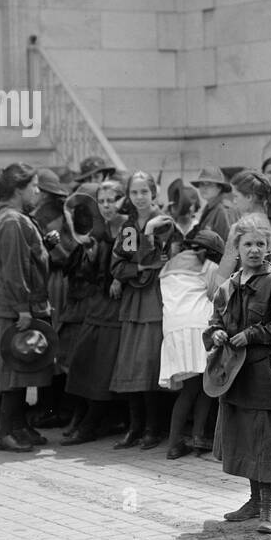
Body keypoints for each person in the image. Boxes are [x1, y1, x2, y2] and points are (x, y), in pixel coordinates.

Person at [208, 214, 271, 534]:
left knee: (267, 436)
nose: (255, 250)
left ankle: (267, 507)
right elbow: (215, 322)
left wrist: (252, 334)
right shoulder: (230, 286)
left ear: (269, 249)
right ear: (236, 249)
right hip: (236, 372)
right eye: (248, 244)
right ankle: (252, 500)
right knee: (247, 434)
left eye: (261, 244)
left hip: (266, 369)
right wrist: (218, 334)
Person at [0, 163, 52, 452]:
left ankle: (19, 426)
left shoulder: (13, 217)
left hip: (22, 304)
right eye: (34, 187)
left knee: (24, 365)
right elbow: (15, 270)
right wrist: (23, 308)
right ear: (18, 188)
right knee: (15, 368)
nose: (38, 192)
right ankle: (4, 433)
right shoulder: (12, 221)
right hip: (16, 307)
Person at [61, 182, 125, 445]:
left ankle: (92, 423)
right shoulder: (98, 231)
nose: (107, 205)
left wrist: (118, 277)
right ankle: (83, 416)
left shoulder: (126, 227)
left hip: (117, 305)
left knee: (102, 364)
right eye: (103, 200)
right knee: (84, 358)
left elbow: (132, 260)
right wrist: (88, 252)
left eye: (112, 200)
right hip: (98, 303)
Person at [110, 171, 169, 449]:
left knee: (149, 363)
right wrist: (135, 270)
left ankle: (153, 428)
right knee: (131, 364)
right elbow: (118, 265)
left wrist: (138, 266)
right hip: (134, 302)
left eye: (144, 192)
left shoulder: (164, 224)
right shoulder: (129, 227)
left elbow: (155, 263)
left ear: (153, 193)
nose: (139, 197)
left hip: (154, 300)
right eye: (134, 193)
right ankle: (135, 427)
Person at [159, 229, 224, 459]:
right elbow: (217, 294)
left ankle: (182, 441)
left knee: (191, 387)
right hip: (199, 326)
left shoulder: (167, 267)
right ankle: (188, 439)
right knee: (203, 385)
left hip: (173, 330)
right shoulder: (210, 267)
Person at [30, 169, 73, 426]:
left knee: (50, 341)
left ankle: (52, 408)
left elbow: (62, 252)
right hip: (53, 280)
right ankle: (50, 406)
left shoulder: (47, 217)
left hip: (54, 281)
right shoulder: (57, 214)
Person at [216, 171, 271, 277]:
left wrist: (213, 292)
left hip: (250, 290)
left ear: (249, 197)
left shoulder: (241, 227)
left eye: (236, 196)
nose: (234, 201)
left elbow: (225, 271)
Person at [191, 168, 233, 240]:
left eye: (209, 184)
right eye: (202, 184)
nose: (204, 188)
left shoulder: (222, 210)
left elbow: (227, 242)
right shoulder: (208, 208)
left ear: (219, 188)